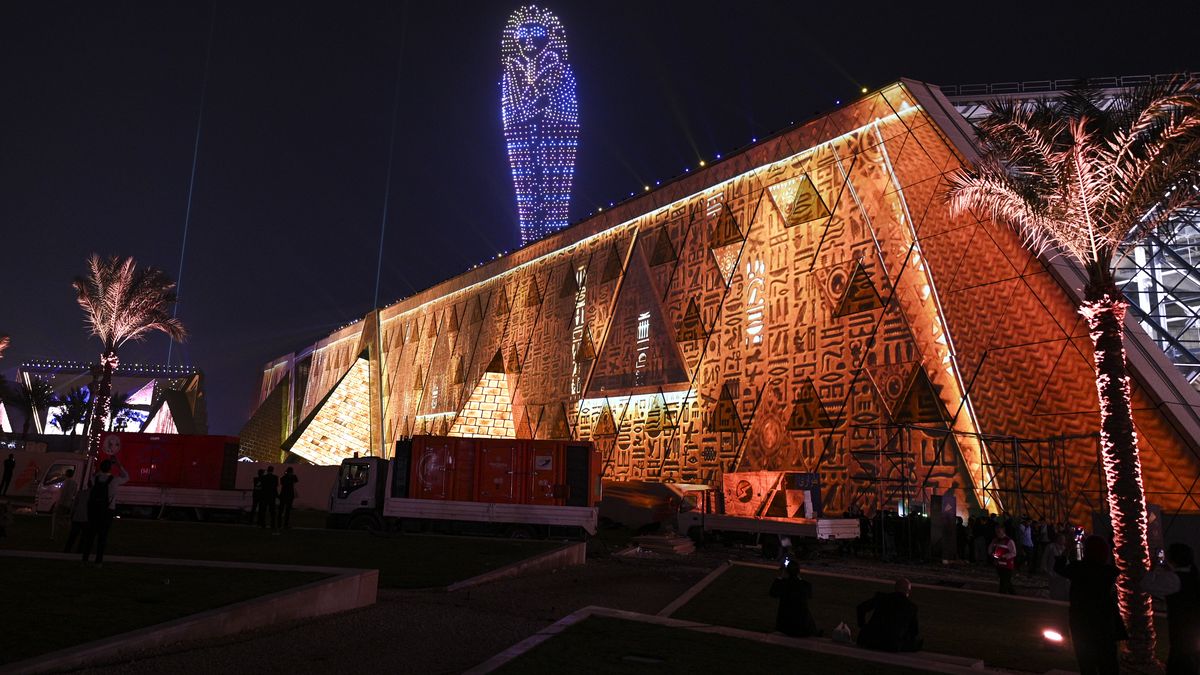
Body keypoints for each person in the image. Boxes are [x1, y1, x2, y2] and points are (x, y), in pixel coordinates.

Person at [1055, 535, 1127, 675]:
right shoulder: (1107, 571)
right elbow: (1118, 567)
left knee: (1086, 662)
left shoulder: (1078, 568)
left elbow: (1058, 568)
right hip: (1104, 620)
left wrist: (1068, 549)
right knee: (1108, 661)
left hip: (1081, 619)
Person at [1141, 543, 1200, 675]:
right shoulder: (1193, 573)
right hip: (1194, 627)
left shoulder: (1173, 579)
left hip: (1180, 630)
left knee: (1179, 664)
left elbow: (1146, 584)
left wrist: (1152, 567)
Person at [81, 459, 129, 566]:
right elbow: (126, 477)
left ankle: (85, 558)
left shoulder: (95, 479)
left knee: (90, 536)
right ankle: (98, 560)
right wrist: (118, 464)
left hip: (94, 511)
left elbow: (93, 477)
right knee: (102, 537)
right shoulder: (114, 480)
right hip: (107, 511)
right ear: (110, 468)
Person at [857, 578, 922, 652]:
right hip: (891, 645)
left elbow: (861, 608)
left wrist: (863, 626)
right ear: (908, 591)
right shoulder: (911, 607)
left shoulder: (882, 598)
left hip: (872, 640)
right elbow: (914, 631)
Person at [769, 559, 819, 637]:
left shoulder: (783, 584)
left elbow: (773, 593)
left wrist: (781, 575)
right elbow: (809, 595)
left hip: (785, 625)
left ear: (786, 571)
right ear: (799, 571)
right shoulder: (805, 585)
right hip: (802, 626)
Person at [1041, 533, 1071, 601]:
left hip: (1062, 572)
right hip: (1052, 570)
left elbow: (1067, 560)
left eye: (1064, 540)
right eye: (1062, 539)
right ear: (1058, 539)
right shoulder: (1050, 546)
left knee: (1061, 587)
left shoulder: (1064, 548)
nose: (1063, 541)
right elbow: (1044, 558)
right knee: (1053, 587)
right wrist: (1045, 568)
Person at [989, 525, 1017, 594]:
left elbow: (1013, 553)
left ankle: (1002, 595)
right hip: (998, 564)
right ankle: (1012, 594)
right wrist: (992, 554)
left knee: (1004, 582)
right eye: (996, 531)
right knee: (1005, 581)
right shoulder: (995, 540)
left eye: (999, 531)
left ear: (1003, 531)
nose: (997, 532)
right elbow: (990, 549)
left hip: (1007, 565)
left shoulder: (1009, 541)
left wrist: (1004, 556)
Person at [51, 468, 78, 539]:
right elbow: (74, 494)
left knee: (56, 519)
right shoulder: (75, 483)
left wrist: (57, 503)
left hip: (62, 503)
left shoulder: (65, 482)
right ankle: (68, 532)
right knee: (66, 519)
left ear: (66, 474)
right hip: (69, 503)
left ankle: (54, 535)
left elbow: (62, 494)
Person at [63, 484, 90, 553]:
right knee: (83, 537)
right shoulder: (94, 495)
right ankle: (79, 551)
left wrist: (71, 515)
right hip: (86, 518)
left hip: (77, 517)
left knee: (72, 536)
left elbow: (74, 505)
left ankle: (67, 550)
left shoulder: (80, 493)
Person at [258, 466, 279, 530]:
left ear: (267, 470)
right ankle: (272, 524)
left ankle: (263, 524)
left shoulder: (263, 477)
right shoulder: (275, 477)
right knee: (272, 511)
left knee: (263, 511)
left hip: (264, 495)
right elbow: (275, 487)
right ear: (273, 470)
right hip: (272, 496)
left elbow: (261, 486)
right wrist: (277, 495)